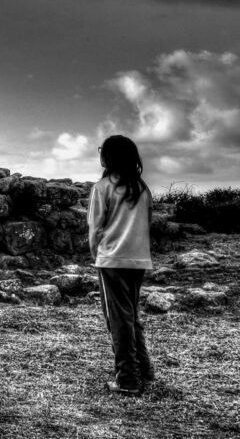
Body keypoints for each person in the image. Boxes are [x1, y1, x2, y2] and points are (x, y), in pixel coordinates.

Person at [87, 134, 155, 396]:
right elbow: (147, 225)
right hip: (138, 260)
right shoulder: (142, 189)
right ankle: (144, 369)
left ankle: (127, 378)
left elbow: (95, 230)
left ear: (108, 156)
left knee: (118, 319)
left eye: (102, 150)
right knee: (130, 315)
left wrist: (97, 256)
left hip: (112, 260)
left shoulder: (102, 188)